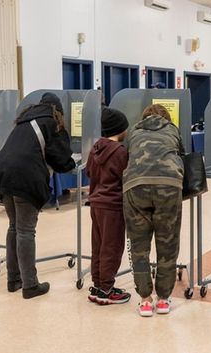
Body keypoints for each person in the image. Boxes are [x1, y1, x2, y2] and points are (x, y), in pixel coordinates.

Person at [0, 93, 76, 299]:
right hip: (24, 176)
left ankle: (14, 280)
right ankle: (30, 285)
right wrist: (72, 162)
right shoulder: (52, 122)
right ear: (58, 110)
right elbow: (62, 161)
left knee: (14, 227)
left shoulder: (23, 121)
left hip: (1, 172)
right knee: (26, 231)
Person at [123, 104, 185, 317]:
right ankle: (164, 299)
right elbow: (182, 155)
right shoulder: (173, 129)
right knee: (167, 242)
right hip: (169, 185)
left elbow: (127, 156)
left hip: (135, 186)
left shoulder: (133, 131)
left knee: (139, 244)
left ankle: (145, 300)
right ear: (166, 118)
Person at [85, 107, 131, 305]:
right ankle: (106, 289)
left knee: (99, 245)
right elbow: (125, 177)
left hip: (96, 203)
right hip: (113, 206)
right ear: (120, 129)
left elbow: (89, 172)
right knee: (111, 247)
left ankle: (97, 284)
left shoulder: (95, 148)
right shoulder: (120, 152)